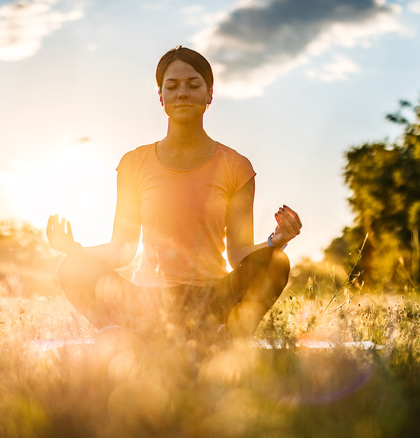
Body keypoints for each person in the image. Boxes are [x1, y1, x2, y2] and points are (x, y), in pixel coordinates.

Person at [46, 46, 302, 341]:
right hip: (148, 303)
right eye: (172, 86)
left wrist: (276, 242)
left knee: (276, 262)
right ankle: (125, 336)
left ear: (209, 95)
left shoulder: (236, 167)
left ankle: (226, 339)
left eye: (193, 85)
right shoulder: (133, 164)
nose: (182, 93)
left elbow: (239, 255)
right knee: (72, 266)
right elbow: (122, 249)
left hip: (213, 299)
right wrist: (74, 249)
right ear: (161, 97)